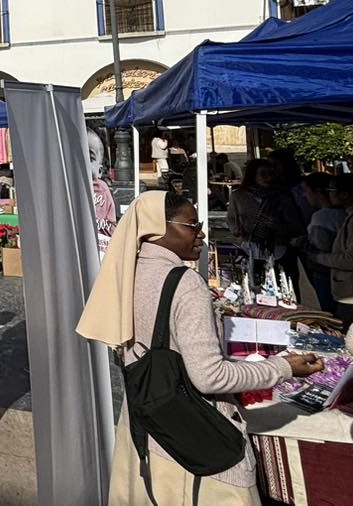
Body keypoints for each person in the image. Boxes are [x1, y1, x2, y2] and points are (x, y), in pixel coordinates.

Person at [77, 191, 322, 504]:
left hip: (145, 426)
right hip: (194, 438)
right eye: (192, 225)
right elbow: (209, 377)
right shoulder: (185, 283)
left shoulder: (130, 272)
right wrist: (285, 367)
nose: (201, 233)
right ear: (158, 228)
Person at [228, 159, 305, 288]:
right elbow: (232, 220)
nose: (268, 178)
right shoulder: (239, 196)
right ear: (253, 175)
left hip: (280, 250)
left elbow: (296, 226)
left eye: (271, 173)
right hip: (251, 249)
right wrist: (242, 232)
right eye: (263, 174)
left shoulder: (282, 196)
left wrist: (277, 226)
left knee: (287, 288)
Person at [310, 175, 353, 327]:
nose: (329, 193)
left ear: (344, 194)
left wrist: (318, 257)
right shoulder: (348, 216)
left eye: (332, 190)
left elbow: (349, 260)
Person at [301, 173, 345, 312]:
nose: (304, 196)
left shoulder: (321, 218)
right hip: (337, 272)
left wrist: (310, 252)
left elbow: (320, 247)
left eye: (307, 191)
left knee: (332, 313)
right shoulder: (343, 214)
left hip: (328, 273)